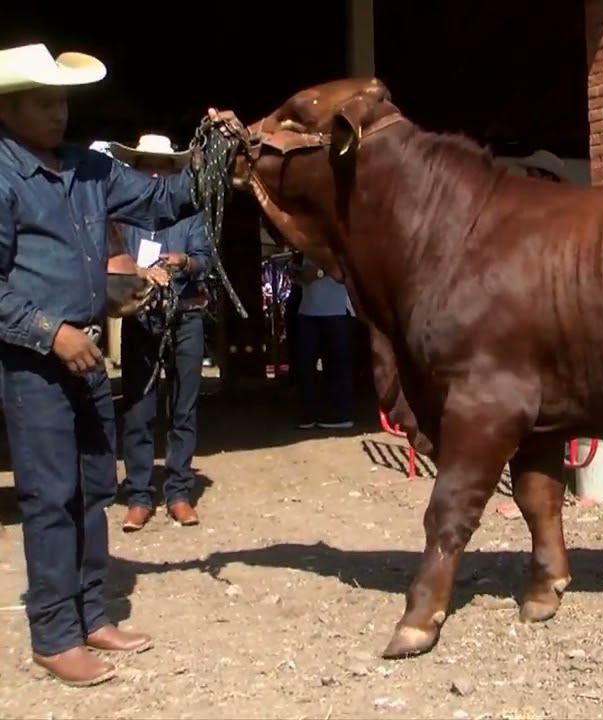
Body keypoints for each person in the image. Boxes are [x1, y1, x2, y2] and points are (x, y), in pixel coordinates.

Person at [0, 42, 241, 687]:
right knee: (51, 496)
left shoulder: (87, 168)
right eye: (43, 101)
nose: (58, 113)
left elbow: (168, 201)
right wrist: (51, 333)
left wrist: (218, 150)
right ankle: (54, 634)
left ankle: (89, 612)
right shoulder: (1, 175)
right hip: (36, 362)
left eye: (62, 101)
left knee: (91, 488)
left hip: (79, 353)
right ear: (9, 106)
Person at [109, 134, 212, 532]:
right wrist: (139, 273)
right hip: (141, 319)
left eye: (162, 164)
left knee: (183, 408)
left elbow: (205, 260)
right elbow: (112, 265)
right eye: (146, 163)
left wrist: (183, 261)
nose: (153, 170)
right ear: (135, 168)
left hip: (185, 316)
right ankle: (138, 495)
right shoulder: (121, 219)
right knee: (138, 408)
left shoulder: (190, 214)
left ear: (172, 170)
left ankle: (179, 492)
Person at [290, 253, 355, 429]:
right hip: (308, 308)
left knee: (337, 364)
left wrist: (319, 272)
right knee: (304, 365)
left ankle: (341, 414)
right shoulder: (306, 239)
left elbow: (346, 262)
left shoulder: (335, 234)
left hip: (337, 309)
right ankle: (308, 413)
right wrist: (298, 273)